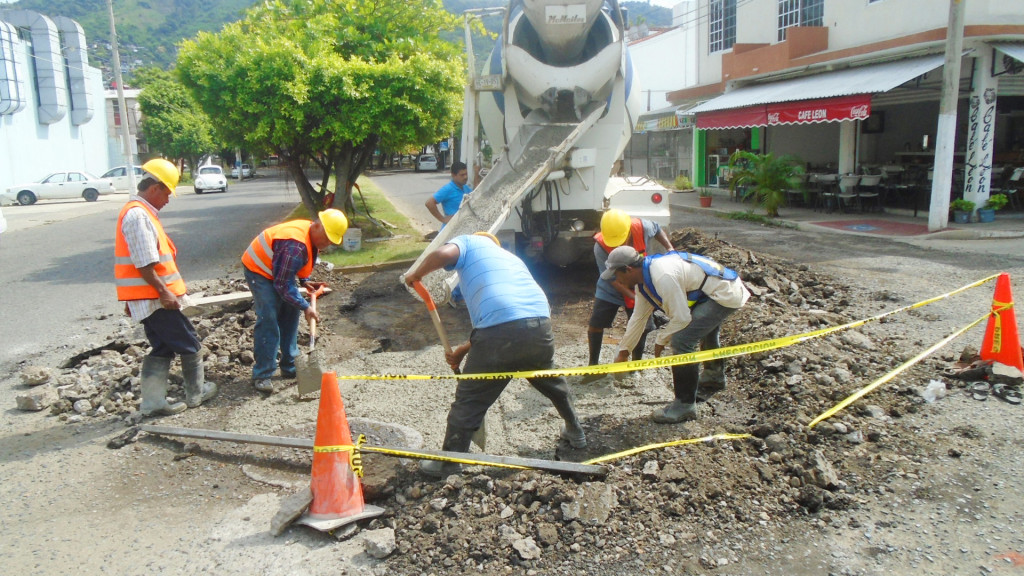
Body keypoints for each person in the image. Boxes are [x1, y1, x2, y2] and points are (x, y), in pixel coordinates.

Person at [404, 232, 586, 477]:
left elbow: (442, 254)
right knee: (552, 383)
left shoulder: (470, 242)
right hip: (539, 326)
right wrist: (463, 350)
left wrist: (417, 274)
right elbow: (507, 318)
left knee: (470, 399)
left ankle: (449, 462)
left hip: (500, 330)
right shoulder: (510, 259)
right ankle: (576, 432)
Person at [114, 158, 217, 416]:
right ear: (155, 188)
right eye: (168, 192)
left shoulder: (142, 213)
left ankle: (153, 404)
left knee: (162, 347)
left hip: (149, 297)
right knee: (190, 343)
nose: (169, 199)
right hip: (155, 298)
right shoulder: (138, 215)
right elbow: (144, 263)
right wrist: (164, 292)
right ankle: (196, 393)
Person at [605, 246, 750, 423]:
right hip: (716, 289)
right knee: (704, 329)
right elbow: (638, 318)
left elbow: (681, 318)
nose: (616, 280)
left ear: (628, 270)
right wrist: (623, 352)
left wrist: (661, 340)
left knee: (682, 340)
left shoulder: (662, 276)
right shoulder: (644, 281)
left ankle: (684, 406)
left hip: (725, 293)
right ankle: (714, 378)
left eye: (617, 275)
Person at [240, 209, 349, 393]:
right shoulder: (294, 245)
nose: (328, 243)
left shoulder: (309, 237)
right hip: (259, 270)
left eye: (332, 240)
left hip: (277, 269)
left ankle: (290, 365)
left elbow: (289, 269)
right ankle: (263, 374)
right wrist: (306, 307)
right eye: (327, 237)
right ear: (317, 225)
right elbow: (282, 284)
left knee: (291, 312)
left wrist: (305, 281)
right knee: (269, 317)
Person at [584, 209, 673, 382]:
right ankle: (593, 366)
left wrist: (670, 248)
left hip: (640, 282)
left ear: (628, 230)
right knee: (595, 323)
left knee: (642, 326)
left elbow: (657, 229)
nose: (617, 244)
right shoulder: (600, 246)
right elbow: (612, 280)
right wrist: (635, 298)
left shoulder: (642, 227)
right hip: (611, 288)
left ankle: (635, 366)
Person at [425, 161, 472, 228]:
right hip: (451, 229)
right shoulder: (448, 189)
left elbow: (475, 195)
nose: (465, 177)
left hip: (463, 227)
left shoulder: (466, 188)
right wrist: (443, 219)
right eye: (462, 175)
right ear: (453, 175)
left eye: (466, 174)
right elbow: (429, 203)